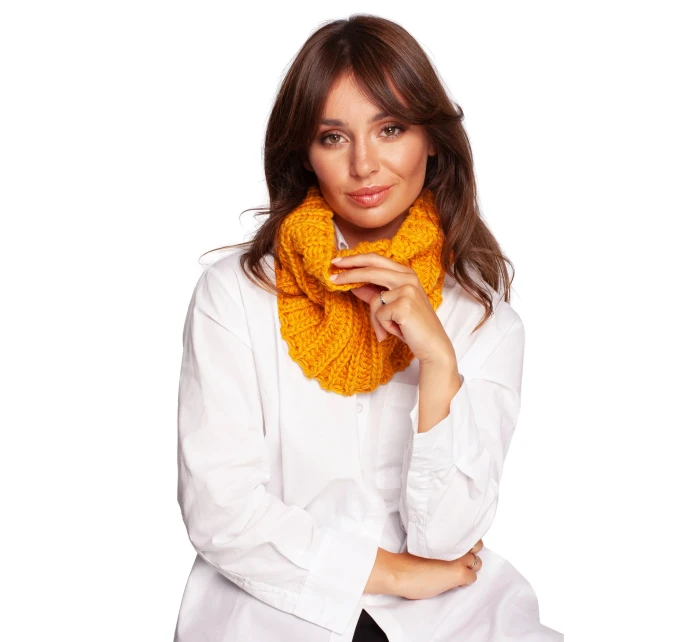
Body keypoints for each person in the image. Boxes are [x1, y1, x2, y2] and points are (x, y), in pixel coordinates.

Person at [173, 14, 563, 642]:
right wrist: (392, 573)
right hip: (274, 608)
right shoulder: (235, 296)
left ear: (431, 140)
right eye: (333, 137)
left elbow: (449, 540)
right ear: (305, 154)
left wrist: (438, 363)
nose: (363, 164)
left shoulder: (484, 320)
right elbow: (220, 510)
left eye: (390, 129)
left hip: (449, 615)